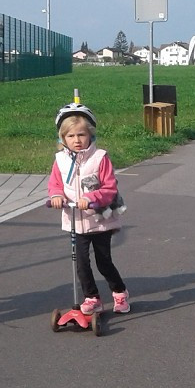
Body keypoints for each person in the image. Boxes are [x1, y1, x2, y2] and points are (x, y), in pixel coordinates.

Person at [47, 102, 129, 314]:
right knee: (81, 263)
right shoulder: (60, 160)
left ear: (90, 135)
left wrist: (91, 197)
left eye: (81, 135)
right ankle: (92, 297)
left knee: (104, 262)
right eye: (71, 136)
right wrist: (56, 196)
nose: (77, 140)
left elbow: (110, 187)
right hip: (75, 220)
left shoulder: (99, 158)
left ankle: (119, 292)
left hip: (99, 220)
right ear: (62, 138)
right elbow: (55, 183)